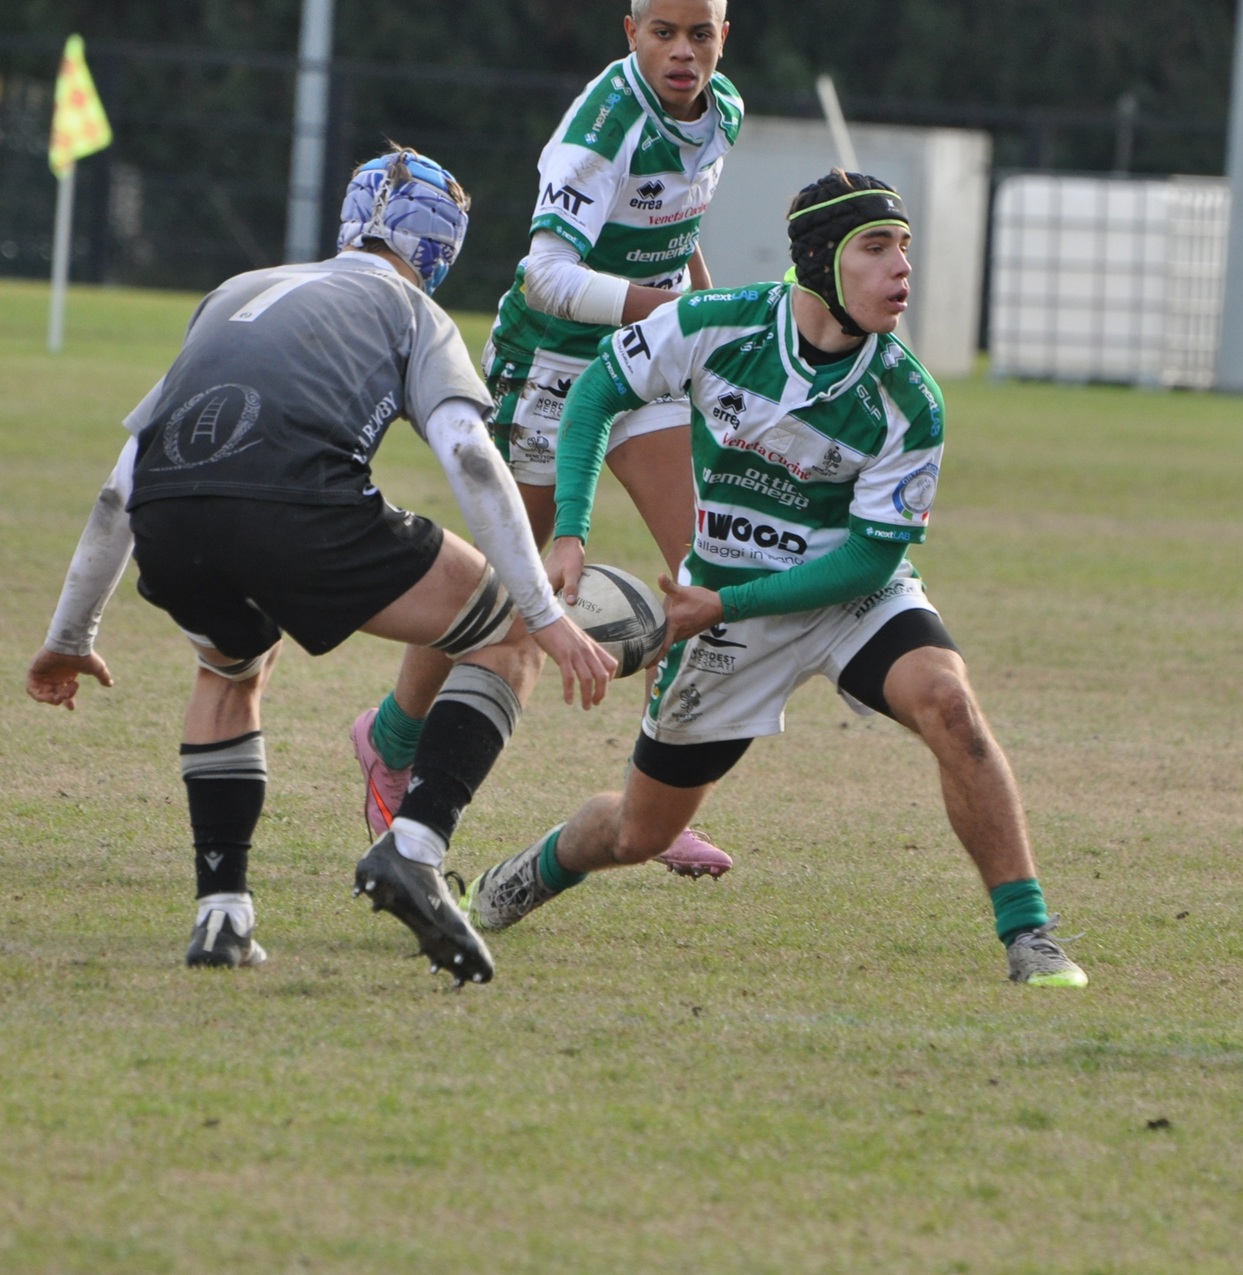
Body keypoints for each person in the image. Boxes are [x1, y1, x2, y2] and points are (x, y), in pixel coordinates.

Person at [463, 171, 1089, 988]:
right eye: (876, 248)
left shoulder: (909, 398)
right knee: (639, 834)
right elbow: (596, 393)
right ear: (822, 261)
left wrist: (726, 600)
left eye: (904, 247)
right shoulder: (716, 323)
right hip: (724, 615)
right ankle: (534, 870)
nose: (902, 267)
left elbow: (870, 559)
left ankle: (1029, 934)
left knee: (950, 703)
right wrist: (573, 530)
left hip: (845, 596)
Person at [24, 148, 618, 985]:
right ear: (440, 249)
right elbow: (470, 456)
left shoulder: (234, 290)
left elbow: (120, 488)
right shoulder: (413, 310)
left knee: (229, 669)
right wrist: (547, 614)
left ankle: (222, 913)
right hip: (297, 504)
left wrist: (69, 636)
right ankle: (415, 845)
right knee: (510, 629)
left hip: (171, 514)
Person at [349, 0, 740, 881]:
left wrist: (701, 329)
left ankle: (652, 802)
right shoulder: (600, 130)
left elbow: (679, 231)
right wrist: (682, 312)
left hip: (645, 360)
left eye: (701, 33)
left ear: (726, 36)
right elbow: (545, 278)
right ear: (630, 33)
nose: (683, 51)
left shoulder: (724, 113)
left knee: (707, 572)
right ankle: (391, 738)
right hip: (551, 368)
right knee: (499, 589)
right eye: (663, 33)